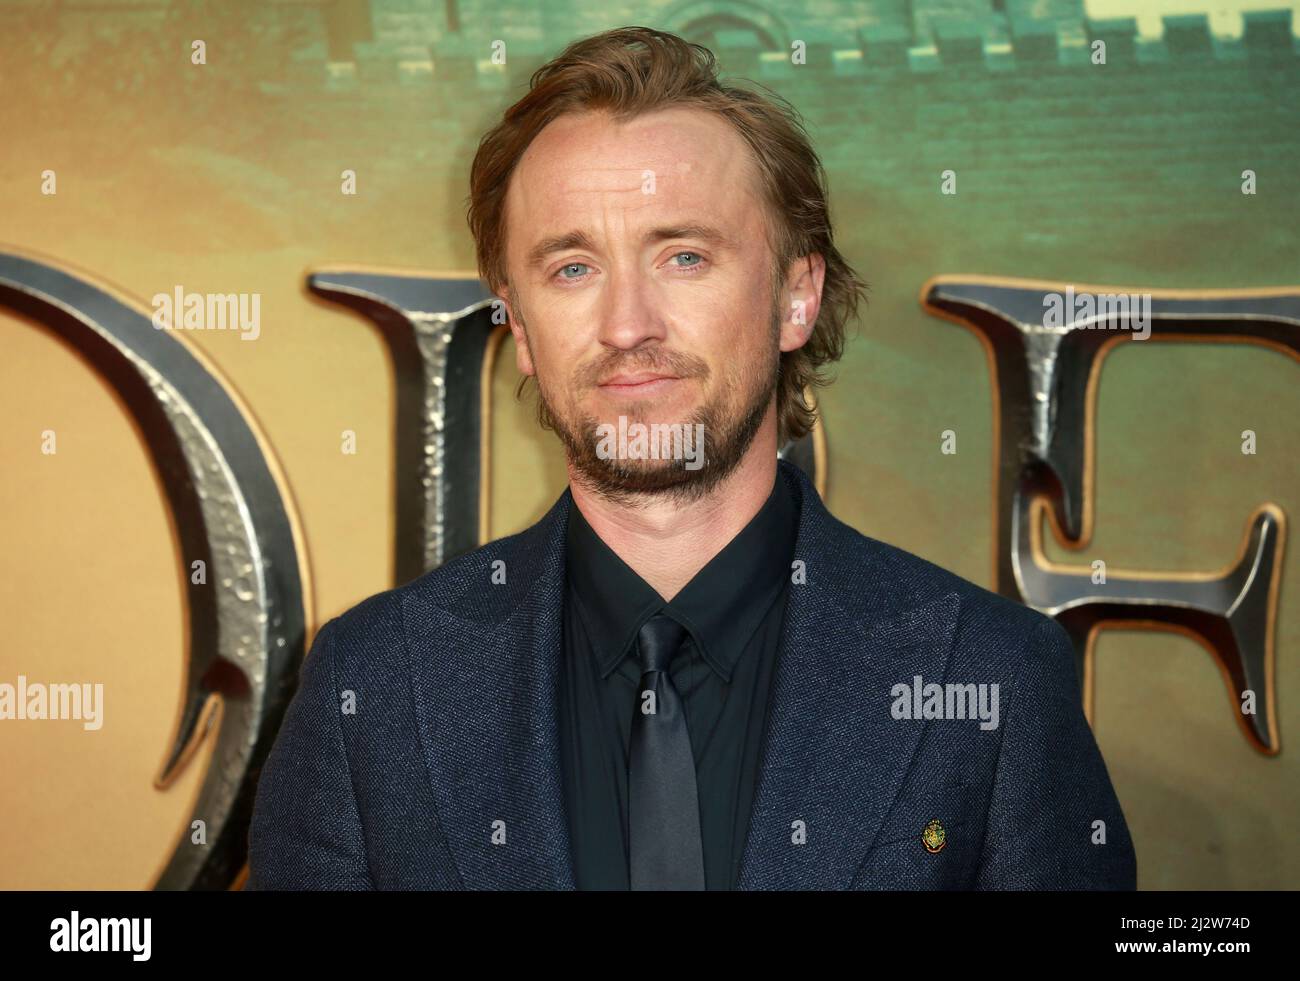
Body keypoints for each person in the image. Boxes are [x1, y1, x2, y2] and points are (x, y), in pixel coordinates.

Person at [247, 26, 1135, 890]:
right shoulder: (371, 684)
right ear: (517, 327)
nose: (628, 325)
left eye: (683, 255)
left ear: (797, 296)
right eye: (571, 269)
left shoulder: (992, 678)